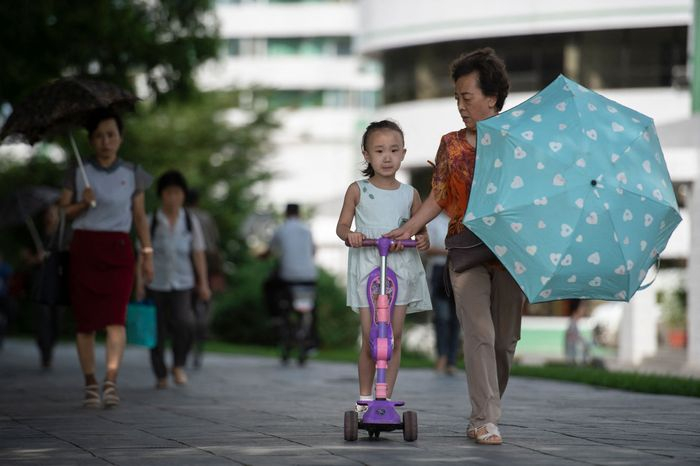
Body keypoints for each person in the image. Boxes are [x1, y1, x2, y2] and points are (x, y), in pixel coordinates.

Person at [386, 48, 525, 445]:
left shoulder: (517, 142)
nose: (461, 105)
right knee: (479, 334)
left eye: (467, 97)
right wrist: (408, 228)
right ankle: (485, 418)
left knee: (504, 342)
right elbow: (440, 196)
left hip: (511, 252)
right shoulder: (451, 144)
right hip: (465, 251)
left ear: (492, 98)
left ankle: (485, 411)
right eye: (457, 98)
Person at [59, 108, 154, 409]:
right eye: (99, 136)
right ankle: (90, 383)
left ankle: (111, 381)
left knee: (116, 319)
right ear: (91, 140)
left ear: (120, 138)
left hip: (119, 250)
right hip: (85, 248)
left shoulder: (132, 173)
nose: (105, 141)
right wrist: (80, 204)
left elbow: (139, 217)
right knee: (85, 323)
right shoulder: (77, 171)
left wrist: (147, 254)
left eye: (111, 134)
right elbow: (63, 213)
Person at [336, 119, 431, 416]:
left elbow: (420, 229)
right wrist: (351, 235)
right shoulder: (358, 190)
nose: (387, 157)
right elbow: (341, 227)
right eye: (379, 151)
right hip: (368, 267)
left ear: (403, 153)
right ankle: (365, 397)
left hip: (400, 268)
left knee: (395, 335)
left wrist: (421, 239)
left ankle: (384, 399)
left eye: (393, 150)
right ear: (366, 155)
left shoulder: (410, 194)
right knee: (372, 337)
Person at [136, 170, 210, 388]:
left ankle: (178, 364)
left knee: (185, 323)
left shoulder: (190, 221)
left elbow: (198, 252)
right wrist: (139, 285)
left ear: (184, 195)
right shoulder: (150, 222)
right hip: (155, 282)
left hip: (183, 282)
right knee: (156, 330)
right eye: (169, 193)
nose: (173, 198)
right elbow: (140, 255)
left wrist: (203, 283)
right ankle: (160, 374)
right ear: (161, 195)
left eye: (177, 193)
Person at [268, 203, 318, 365]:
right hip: (309, 276)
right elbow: (313, 251)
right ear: (299, 213)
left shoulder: (281, 229)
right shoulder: (307, 230)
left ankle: (275, 315)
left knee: (268, 286)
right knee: (310, 307)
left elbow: (271, 250)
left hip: (288, 277)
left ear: (285, 213)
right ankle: (310, 338)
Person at [185, 188, 224, 368]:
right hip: (207, 262)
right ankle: (203, 325)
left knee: (187, 301)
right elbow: (214, 242)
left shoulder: (182, 216)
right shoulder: (206, 217)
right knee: (206, 297)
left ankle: (190, 326)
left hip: (186, 262)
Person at [425, 212, 459, 375]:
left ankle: (452, 360)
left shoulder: (462, 220)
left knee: (456, 319)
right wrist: (450, 251)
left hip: (459, 270)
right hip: (439, 271)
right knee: (442, 317)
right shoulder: (434, 222)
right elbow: (427, 248)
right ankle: (442, 356)